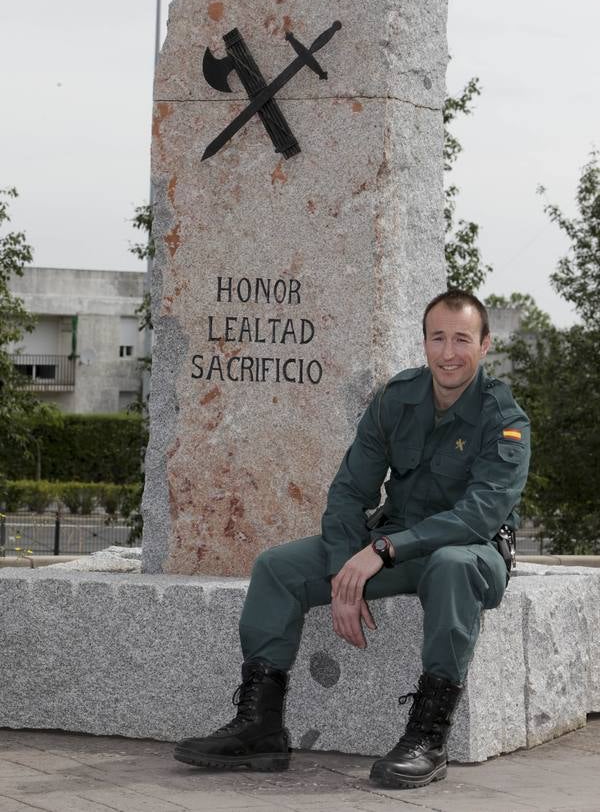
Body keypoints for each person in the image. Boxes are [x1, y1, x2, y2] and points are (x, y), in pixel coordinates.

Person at [174, 289, 530, 789]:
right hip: (393, 545)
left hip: (473, 554)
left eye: (462, 339)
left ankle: (428, 737)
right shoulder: (396, 399)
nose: (449, 352)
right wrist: (347, 569)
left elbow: (478, 515)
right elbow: (348, 491)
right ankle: (261, 728)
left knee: (451, 563)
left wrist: (383, 551)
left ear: (485, 344)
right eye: (438, 338)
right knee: (277, 567)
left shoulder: (505, 419)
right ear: (425, 342)